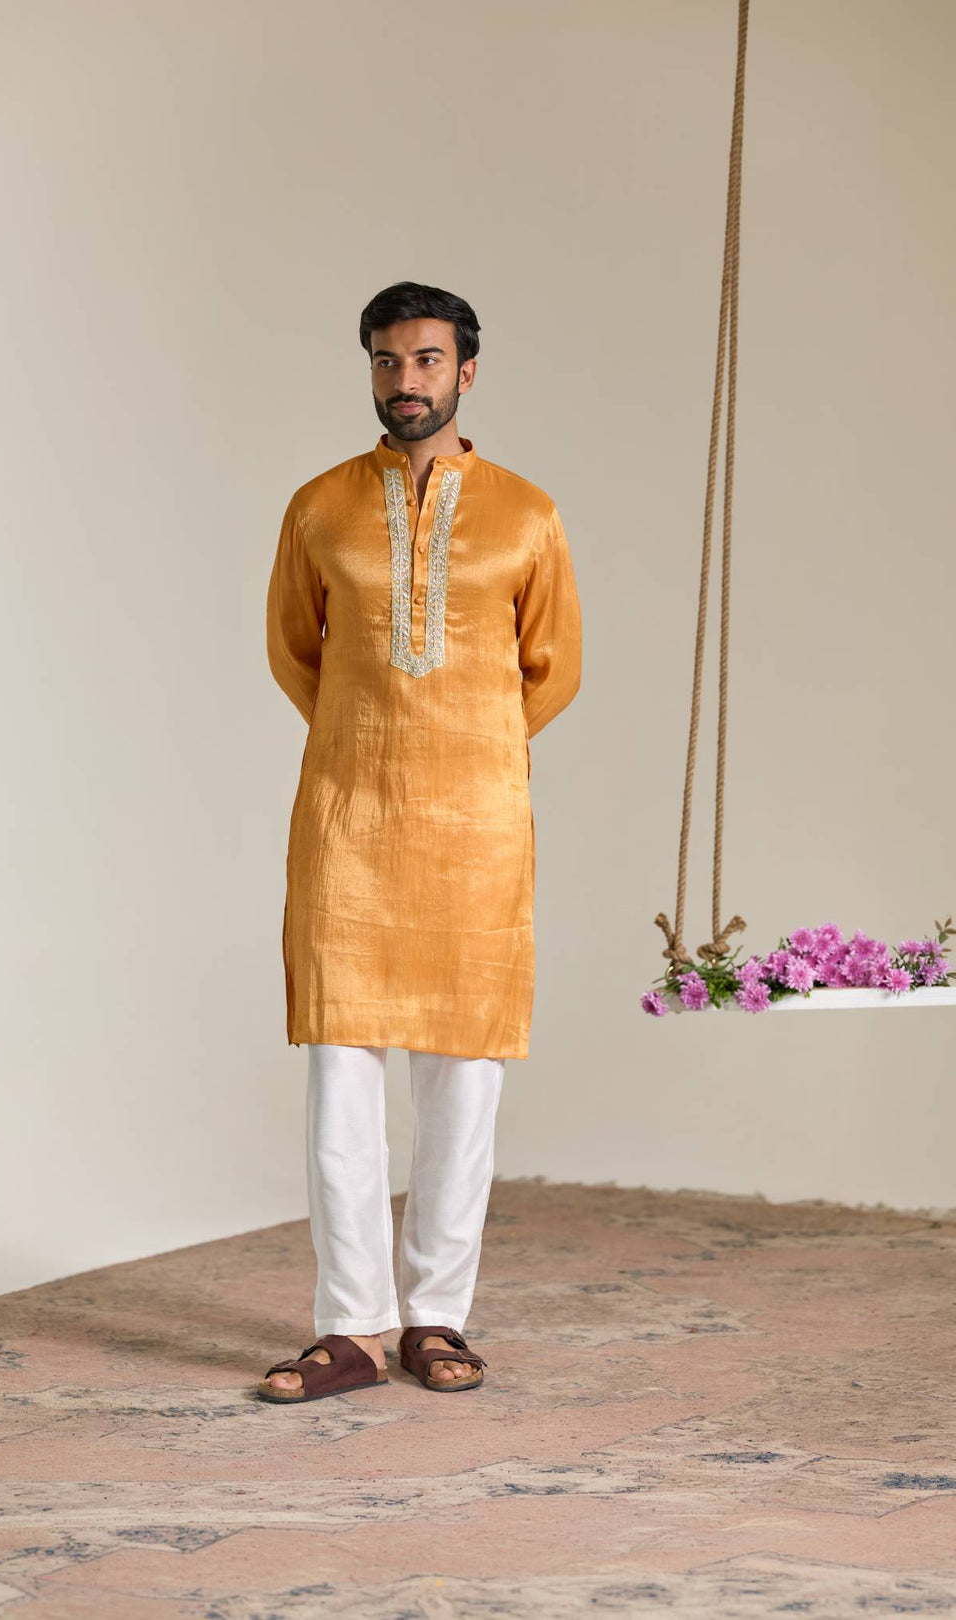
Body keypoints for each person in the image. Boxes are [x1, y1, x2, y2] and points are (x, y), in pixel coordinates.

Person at [260, 281, 582, 1402]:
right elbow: (293, 651)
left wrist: (467, 748)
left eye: (429, 361)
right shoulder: (318, 507)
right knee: (341, 1085)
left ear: (467, 372)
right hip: (348, 823)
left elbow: (553, 669)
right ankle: (350, 1326)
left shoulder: (527, 513)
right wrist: (370, 740)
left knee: (462, 1089)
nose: (407, 381)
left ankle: (436, 1317)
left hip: (477, 832)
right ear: (371, 370)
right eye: (389, 361)